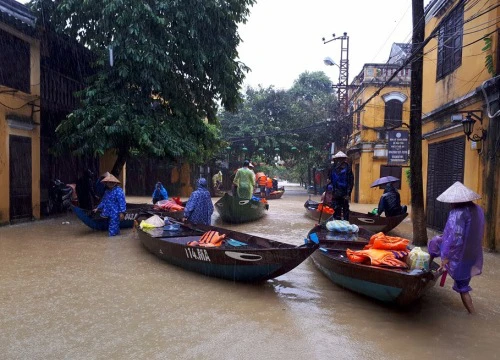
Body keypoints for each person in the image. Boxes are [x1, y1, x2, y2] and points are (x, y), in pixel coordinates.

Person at [427, 181, 484, 314]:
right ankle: (429, 265)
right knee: (435, 241)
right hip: (473, 252)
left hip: (460, 254)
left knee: (462, 287)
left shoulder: (457, 213)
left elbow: (456, 239)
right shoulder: (477, 209)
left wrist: (446, 258)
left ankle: (473, 314)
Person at [330, 151, 354, 221]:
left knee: (345, 208)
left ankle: (346, 222)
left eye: (341, 159)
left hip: (344, 192)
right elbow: (331, 180)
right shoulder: (333, 168)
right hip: (336, 192)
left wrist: (348, 193)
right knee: (336, 208)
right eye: (338, 159)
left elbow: (351, 181)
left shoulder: (348, 168)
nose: (339, 161)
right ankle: (337, 222)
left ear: (343, 159)